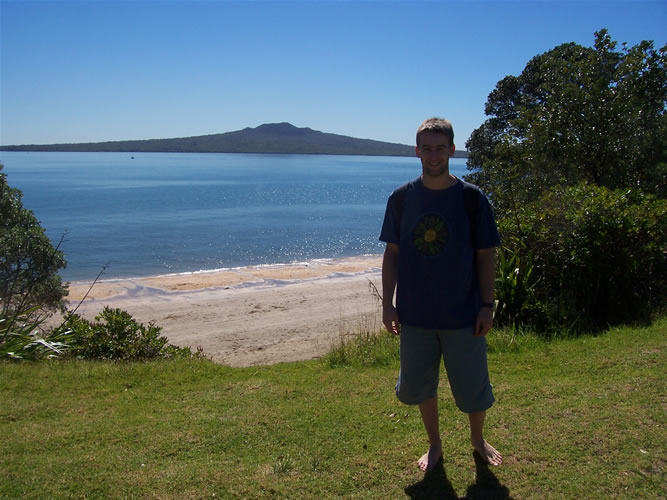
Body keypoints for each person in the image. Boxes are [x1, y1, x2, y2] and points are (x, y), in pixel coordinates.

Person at [379, 117, 503, 472]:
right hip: (415, 315)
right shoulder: (401, 198)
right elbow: (393, 255)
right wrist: (388, 304)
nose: (434, 155)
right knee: (421, 385)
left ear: (452, 149)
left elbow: (486, 255)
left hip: (464, 314)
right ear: (418, 151)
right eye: (427, 148)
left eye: (440, 148)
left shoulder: (471, 198)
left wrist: (486, 305)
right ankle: (435, 445)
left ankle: (477, 440)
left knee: (472, 387)